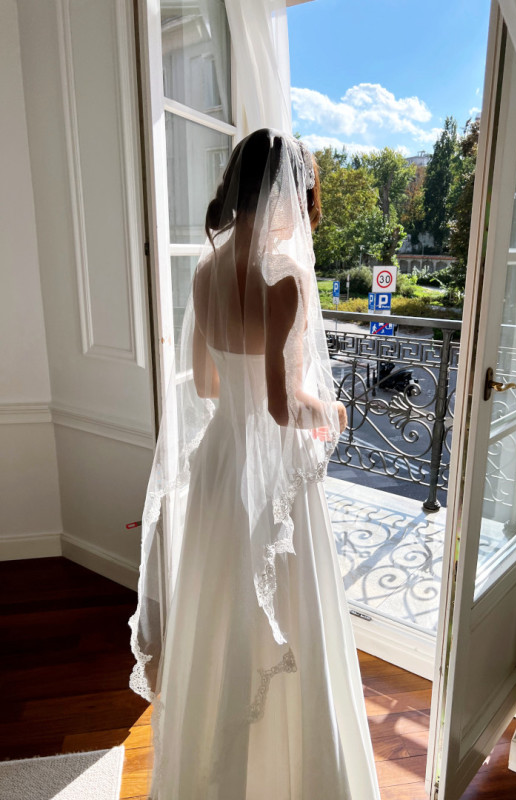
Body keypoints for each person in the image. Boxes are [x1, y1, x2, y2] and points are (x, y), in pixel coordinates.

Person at [128, 128, 381, 799]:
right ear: (290, 196)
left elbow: (210, 387)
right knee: (289, 613)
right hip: (269, 475)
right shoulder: (287, 279)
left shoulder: (205, 272)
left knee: (217, 610)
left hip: (218, 464)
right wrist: (326, 408)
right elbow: (280, 406)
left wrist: (282, 394)